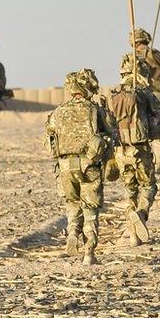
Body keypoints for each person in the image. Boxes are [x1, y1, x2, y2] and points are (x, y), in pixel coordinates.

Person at [44, 71, 113, 265]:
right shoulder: (94, 109)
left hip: (65, 167)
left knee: (73, 205)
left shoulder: (58, 112)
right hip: (89, 166)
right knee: (90, 208)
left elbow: (49, 139)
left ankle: (73, 231)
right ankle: (89, 252)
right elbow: (112, 132)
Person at [108, 55, 160, 246]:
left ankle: (134, 235)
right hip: (140, 150)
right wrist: (154, 126)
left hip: (119, 151)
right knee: (149, 186)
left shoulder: (112, 95)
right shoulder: (144, 93)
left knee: (130, 190)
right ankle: (141, 214)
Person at [132, 29, 160, 172]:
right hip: (159, 95)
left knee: (139, 127)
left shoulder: (134, 57)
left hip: (141, 95)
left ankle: (142, 163)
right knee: (158, 129)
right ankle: (158, 165)